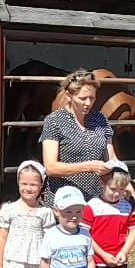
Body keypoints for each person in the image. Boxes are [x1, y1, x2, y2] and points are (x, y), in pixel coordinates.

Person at [39, 69, 120, 207]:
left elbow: (112, 160)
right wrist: (88, 166)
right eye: (82, 98)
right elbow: (51, 167)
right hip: (64, 201)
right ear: (69, 95)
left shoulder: (100, 119)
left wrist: (128, 192)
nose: (88, 103)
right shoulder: (54, 121)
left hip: (96, 201)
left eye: (92, 98)